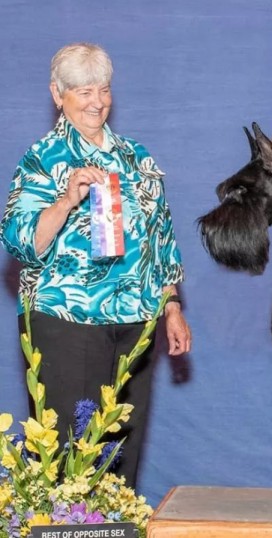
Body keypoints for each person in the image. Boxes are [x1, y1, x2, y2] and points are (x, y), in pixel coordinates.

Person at [0, 43, 191, 488]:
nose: (97, 102)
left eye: (103, 90)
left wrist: (172, 306)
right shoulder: (41, 160)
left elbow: (161, 239)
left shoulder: (137, 158)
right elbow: (20, 242)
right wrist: (66, 200)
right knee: (68, 450)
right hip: (67, 321)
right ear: (57, 95)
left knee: (123, 449)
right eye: (83, 92)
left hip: (136, 321)